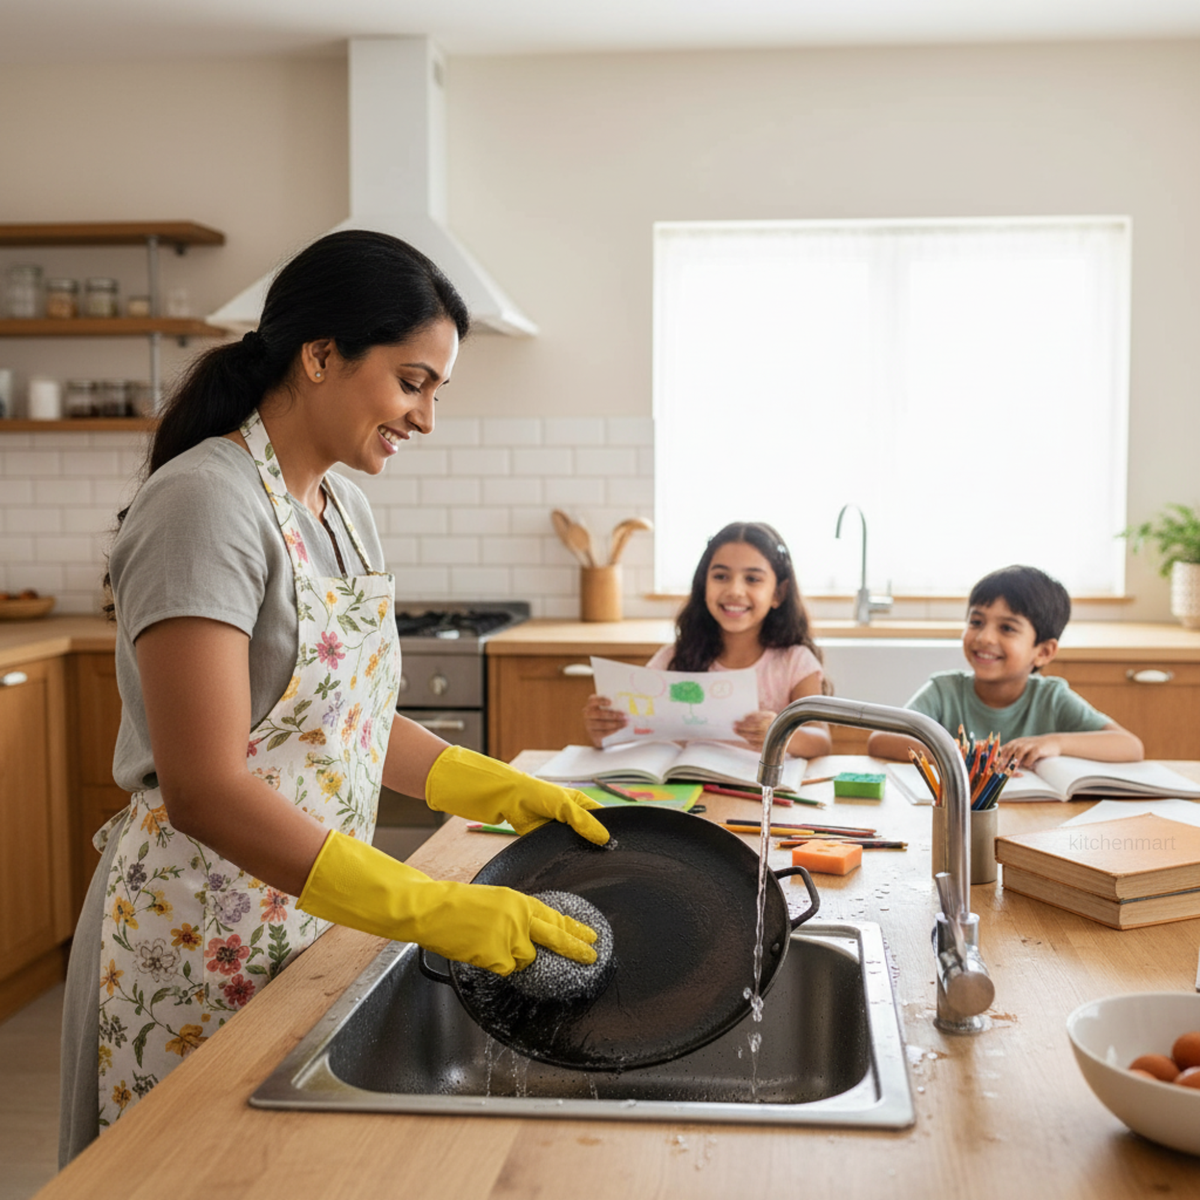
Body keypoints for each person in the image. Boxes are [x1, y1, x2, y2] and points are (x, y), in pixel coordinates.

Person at [59, 230, 609, 1163]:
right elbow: (205, 788)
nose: (426, 418)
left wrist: (501, 788)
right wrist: (428, 904)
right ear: (320, 356)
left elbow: (343, 721)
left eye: (437, 389)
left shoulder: (342, 505)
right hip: (200, 934)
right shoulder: (204, 505)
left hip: (311, 914)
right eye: (413, 382)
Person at [584, 521, 832, 758]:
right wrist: (601, 729)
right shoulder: (672, 659)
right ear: (703, 585)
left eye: (753, 579)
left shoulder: (795, 663)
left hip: (761, 796)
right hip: (685, 795)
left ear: (778, 592)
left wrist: (780, 733)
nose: (735, 590)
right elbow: (626, 734)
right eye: (721, 576)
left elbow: (821, 741)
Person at [867, 564, 1144, 766]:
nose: (985, 637)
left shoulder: (1051, 698)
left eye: (1007, 628)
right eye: (976, 622)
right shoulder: (944, 690)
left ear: (1044, 651)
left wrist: (1055, 743)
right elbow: (880, 740)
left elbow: (1130, 746)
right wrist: (958, 751)